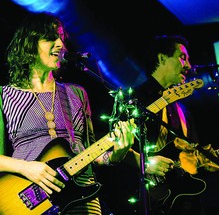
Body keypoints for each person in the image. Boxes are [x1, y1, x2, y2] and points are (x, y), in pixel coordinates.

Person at [0, 12, 135, 215]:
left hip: (83, 198)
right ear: (28, 43)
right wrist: (26, 167)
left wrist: (117, 154)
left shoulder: (76, 93)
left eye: (61, 37)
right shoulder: (5, 96)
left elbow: (89, 153)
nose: (60, 44)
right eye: (50, 37)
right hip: (30, 200)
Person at [121, 34, 219, 215]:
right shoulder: (135, 98)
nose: (188, 65)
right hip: (147, 200)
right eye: (182, 57)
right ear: (162, 58)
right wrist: (144, 163)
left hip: (186, 202)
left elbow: (196, 159)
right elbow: (113, 145)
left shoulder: (183, 111)